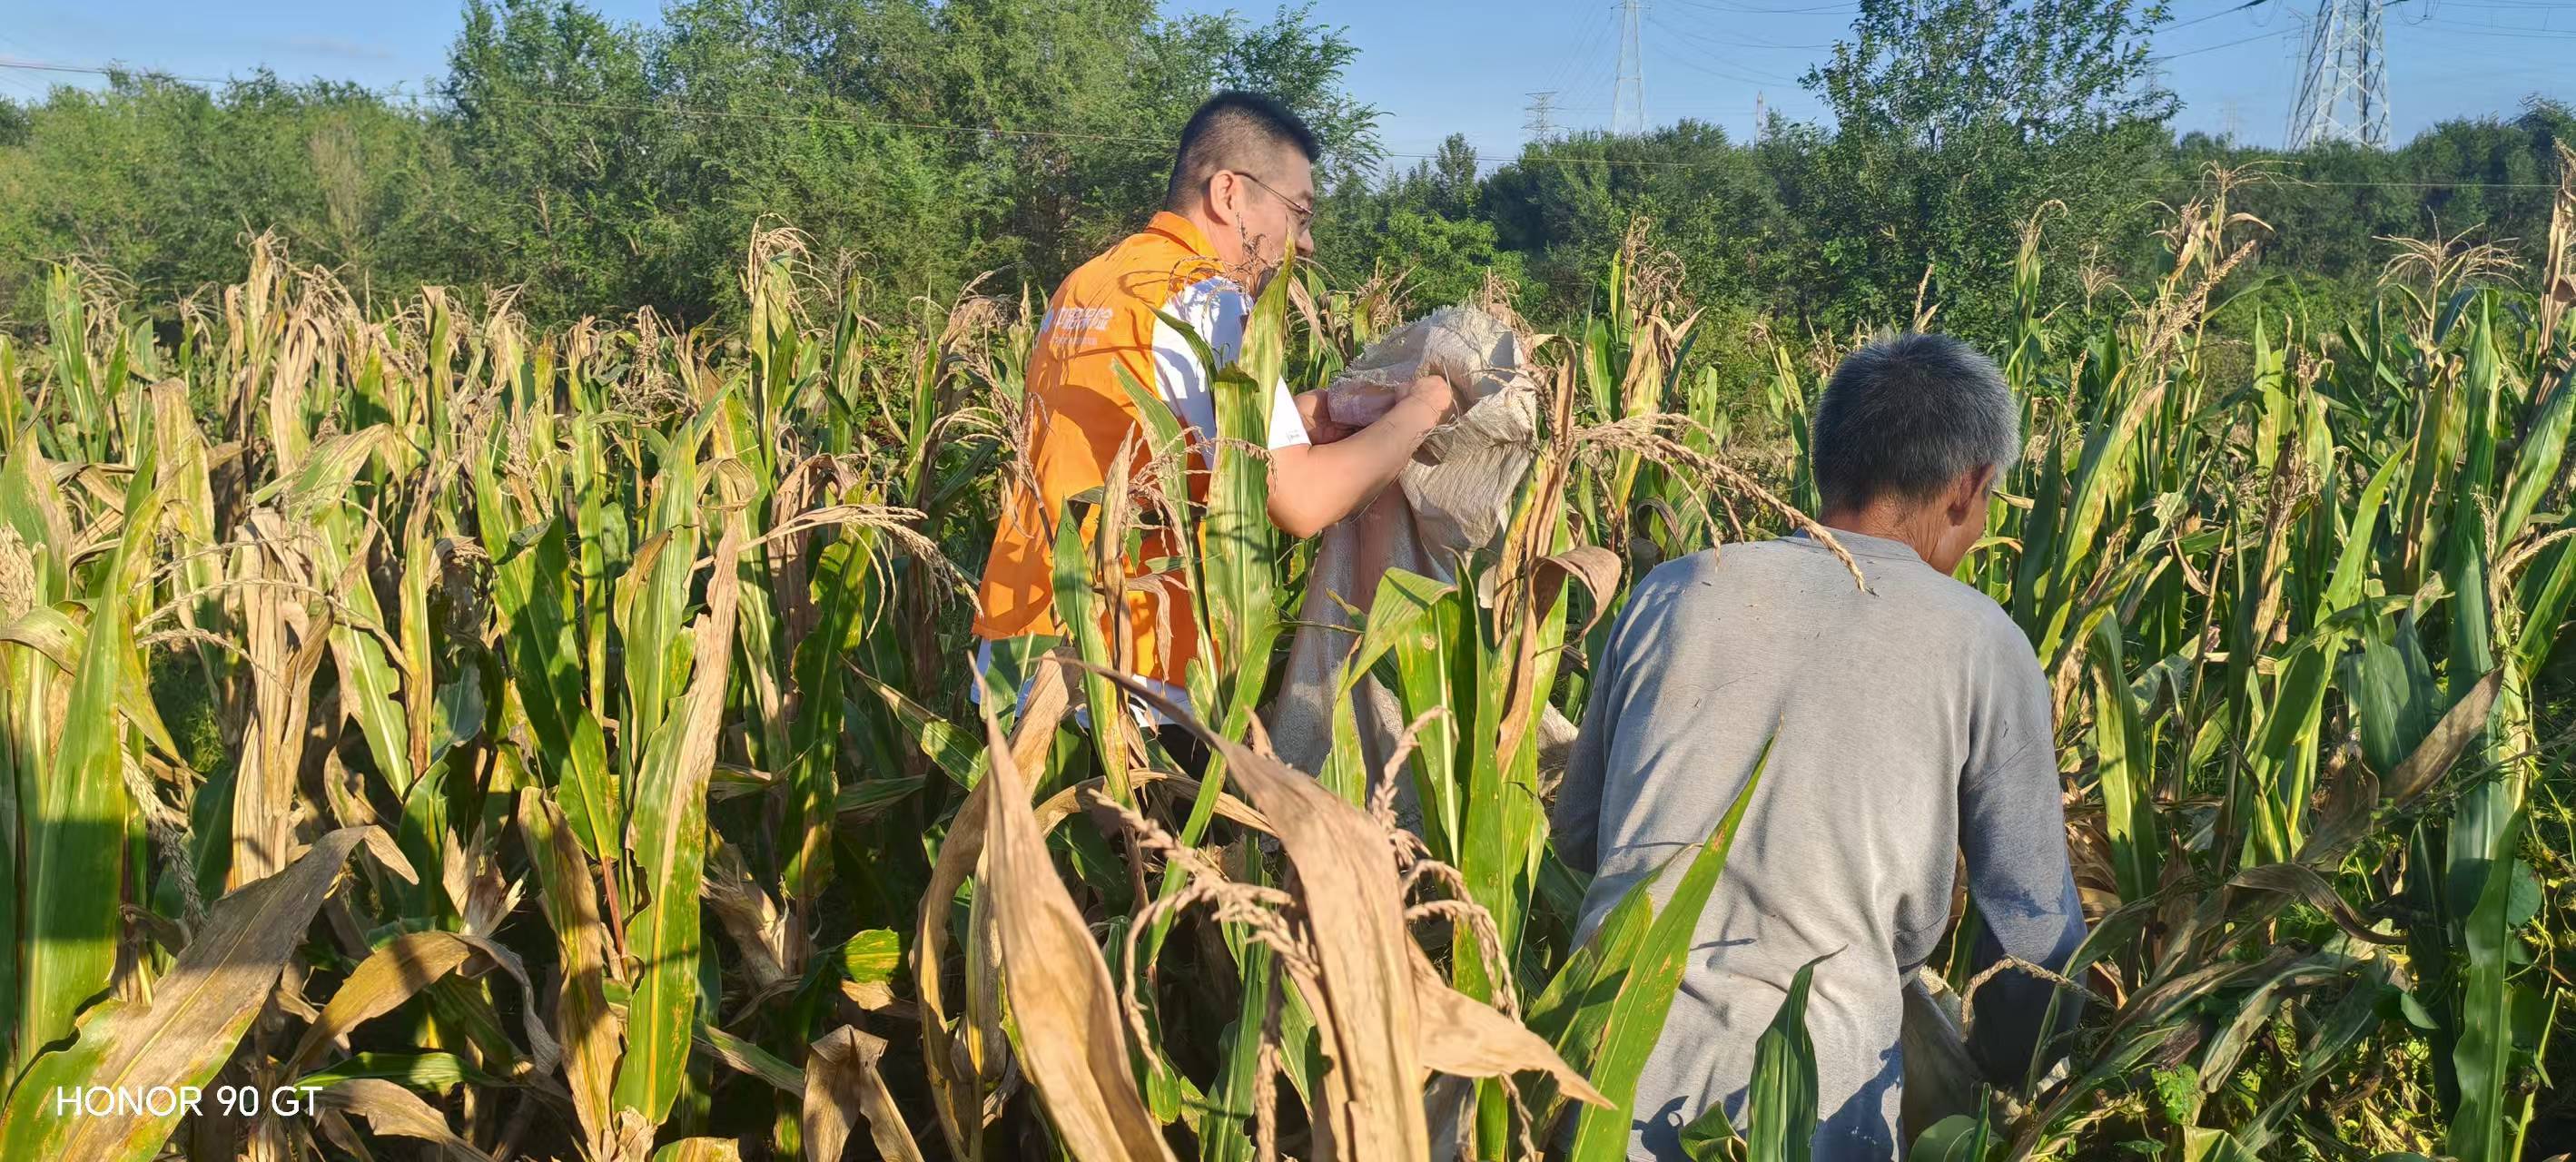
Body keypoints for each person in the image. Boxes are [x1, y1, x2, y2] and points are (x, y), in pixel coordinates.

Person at [1552, 333, 2088, 1160]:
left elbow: (1582, 837)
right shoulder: (1982, 642)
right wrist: (2002, 1080)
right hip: (1816, 1099)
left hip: (1599, 1075)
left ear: (1827, 462)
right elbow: (2031, 939)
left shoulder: (1674, 591)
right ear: (1967, 487)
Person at [972, 91, 1454, 731]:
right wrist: (1425, 408)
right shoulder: (1205, 298)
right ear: (1229, 193)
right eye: (1299, 214)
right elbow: (1302, 502)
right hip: (1128, 673)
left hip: (1016, 653)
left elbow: (1135, 426)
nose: (1304, 244)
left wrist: (1299, 416)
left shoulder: (1092, 281)